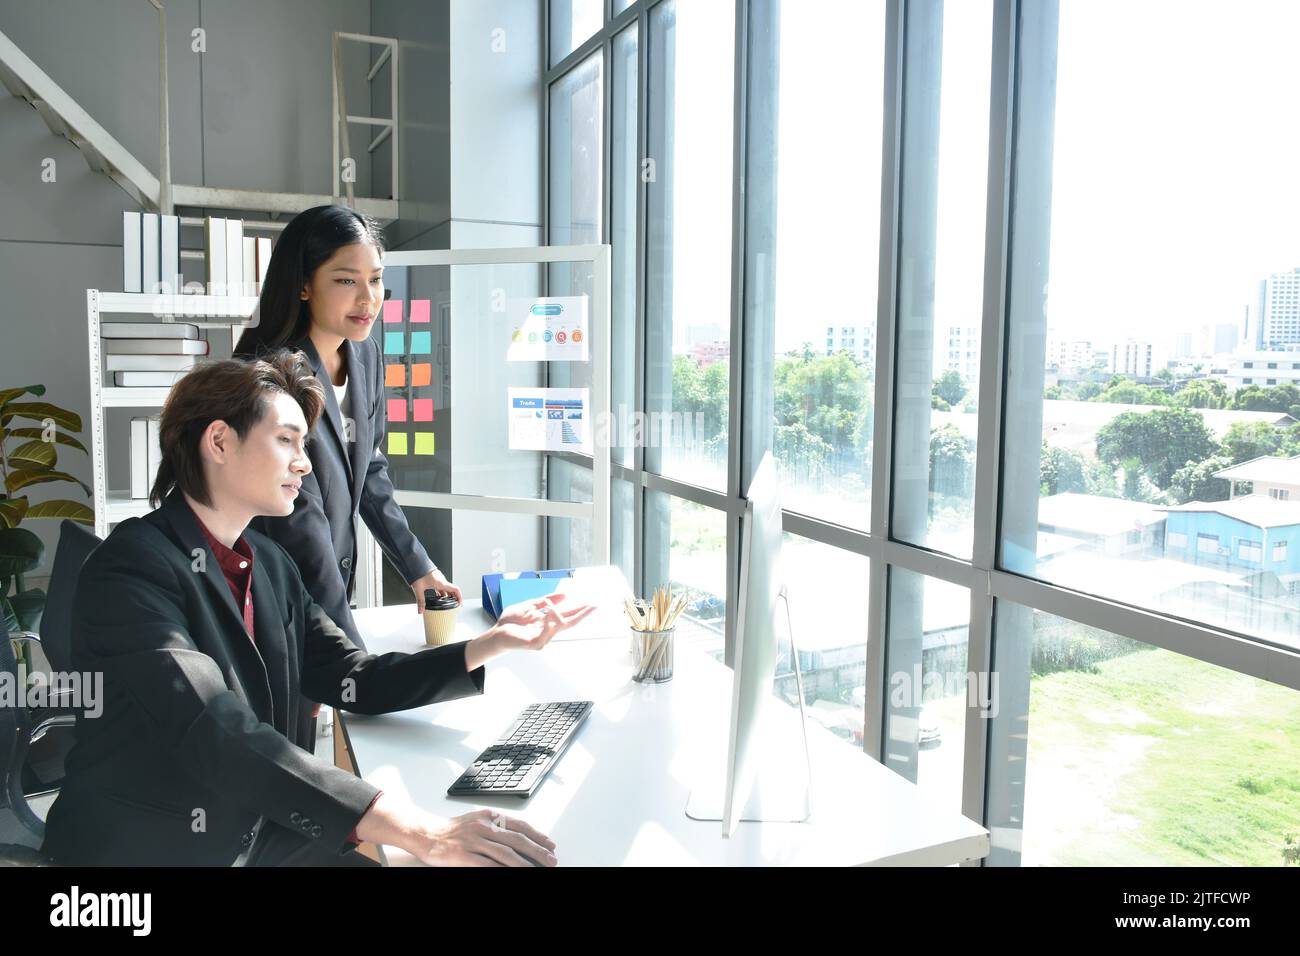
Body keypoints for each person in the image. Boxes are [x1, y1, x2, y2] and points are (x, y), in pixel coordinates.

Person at [41, 353, 594, 866]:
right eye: (286, 441)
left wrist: (487, 645)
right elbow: (214, 730)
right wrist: (422, 832)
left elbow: (352, 675)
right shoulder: (132, 569)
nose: (304, 464)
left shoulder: (270, 564)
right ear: (218, 441)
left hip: (258, 831)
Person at [234, 204, 453, 659]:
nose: (368, 298)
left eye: (375, 279)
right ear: (303, 284)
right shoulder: (273, 379)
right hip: (273, 596)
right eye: (346, 280)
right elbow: (299, 520)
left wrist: (418, 567)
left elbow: (369, 468)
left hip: (328, 590)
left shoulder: (366, 355)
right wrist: (347, 650)